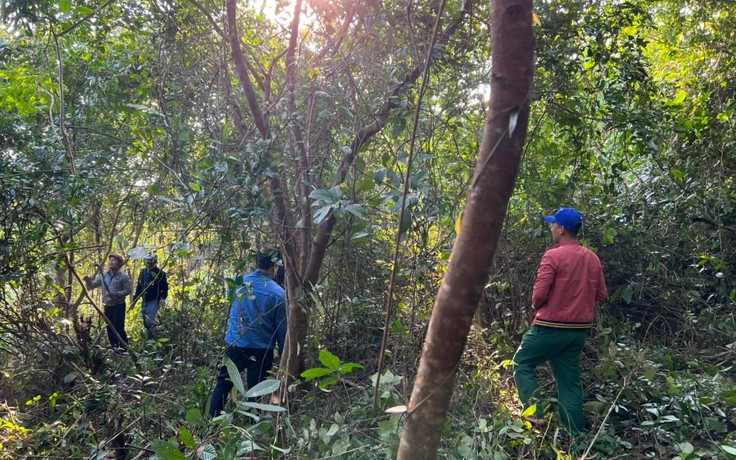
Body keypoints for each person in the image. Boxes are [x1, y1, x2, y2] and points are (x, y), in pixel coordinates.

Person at [513, 207, 607, 435]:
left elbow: (539, 296)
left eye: (553, 224)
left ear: (562, 229)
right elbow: (602, 295)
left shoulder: (553, 255)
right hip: (577, 332)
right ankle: (575, 435)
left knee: (522, 363)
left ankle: (535, 417)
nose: (551, 227)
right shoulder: (592, 258)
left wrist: (542, 305)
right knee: (569, 382)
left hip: (550, 327)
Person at [209, 248, 288, 417]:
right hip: (262, 349)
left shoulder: (238, 283)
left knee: (224, 383)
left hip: (235, 344)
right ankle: (251, 429)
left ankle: (211, 421)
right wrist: (283, 354)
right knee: (256, 389)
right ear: (275, 266)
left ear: (256, 264)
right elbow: (282, 329)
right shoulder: (279, 294)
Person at [84, 253, 132, 349]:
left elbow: (128, 290)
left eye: (114, 260)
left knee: (118, 327)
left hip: (119, 305)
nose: (111, 262)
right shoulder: (103, 275)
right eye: (110, 260)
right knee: (109, 327)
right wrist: (88, 281)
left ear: (119, 264)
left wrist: (117, 294)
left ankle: (124, 347)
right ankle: (114, 347)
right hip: (108, 305)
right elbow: (93, 285)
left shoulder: (123, 276)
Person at [132, 253, 169, 339]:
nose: (148, 264)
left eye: (150, 262)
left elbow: (165, 287)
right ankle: (151, 339)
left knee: (149, 321)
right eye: (147, 261)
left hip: (154, 299)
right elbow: (139, 286)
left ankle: (152, 341)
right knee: (145, 322)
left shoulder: (160, 273)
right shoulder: (142, 272)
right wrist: (135, 300)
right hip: (144, 300)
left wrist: (163, 298)